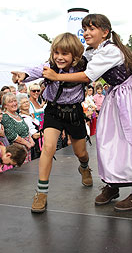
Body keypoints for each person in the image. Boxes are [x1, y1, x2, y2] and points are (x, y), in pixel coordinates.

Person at [40, 14, 132, 212]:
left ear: (105, 32)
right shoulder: (93, 52)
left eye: (91, 29)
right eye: (85, 29)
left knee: (131, 143)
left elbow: (88, 75)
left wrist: (55, 76)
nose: (86, 33)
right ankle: (114, 184)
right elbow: (71, 62)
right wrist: (31, 73)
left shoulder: (111, 51)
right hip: (117, 95)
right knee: (108, 141)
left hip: (131, 97)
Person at [11, 32, 93, 213]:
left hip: (74, 112)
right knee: (48, 147)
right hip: (53, 111)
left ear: (75, 56)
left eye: (64, 54)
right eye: (56, 53)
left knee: (81, 153)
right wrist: (21, 75)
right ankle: (41, 193)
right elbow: (33, 72)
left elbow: (88, 76)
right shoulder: (49, 66)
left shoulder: (84, 67)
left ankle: (85, 167)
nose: (59, 57)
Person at [1, 93, 35, 164]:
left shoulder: (17, 115)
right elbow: (12, 135)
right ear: (5, 105)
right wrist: (27, 143)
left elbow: (26, 129)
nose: (14, 103)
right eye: (10, 102)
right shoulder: (6, 117)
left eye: (15, 101)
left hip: (27, 148)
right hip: (17, 150)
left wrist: (30, 140)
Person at [17, 93, 43, 160]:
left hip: (39, 144)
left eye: (27, 102)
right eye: (23, 103)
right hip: (34, 146)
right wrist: (45, 133)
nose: (26, 104)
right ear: (19, 106)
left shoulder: (31, 116)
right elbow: (34, 135)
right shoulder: (24, 118)